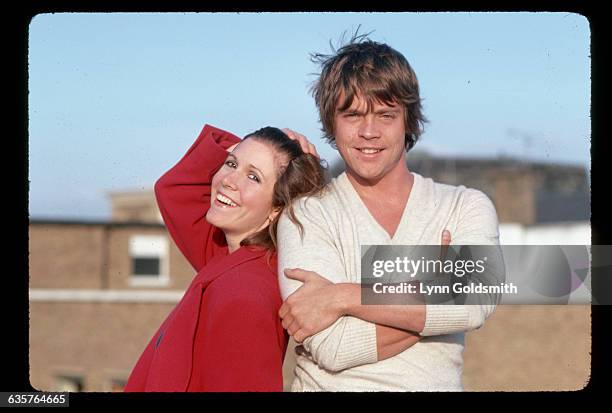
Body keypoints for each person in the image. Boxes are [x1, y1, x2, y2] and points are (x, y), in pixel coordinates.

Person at [276, 33, 501, 391]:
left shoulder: (465, 206)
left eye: (385, 115)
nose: (369, 131)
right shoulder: (306, 214)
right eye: (352, 115)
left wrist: (344, 296)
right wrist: (434, 294)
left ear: (408, 121)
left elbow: (475, 300)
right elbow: (333, 346)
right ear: (331, 122)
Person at [124, 124, 325, 392]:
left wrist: (254, 155)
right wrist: (255, 147)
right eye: (230, 164)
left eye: (253, 178)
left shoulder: (245, 291)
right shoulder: (232, 255)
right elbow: (173, 189)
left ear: (277, 208)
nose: (229, 180)